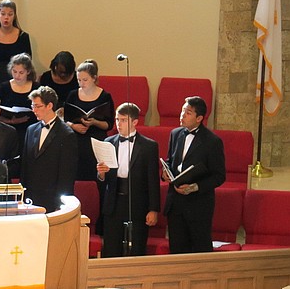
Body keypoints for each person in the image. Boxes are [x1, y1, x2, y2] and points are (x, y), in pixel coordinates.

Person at [162, 96, 226, 254]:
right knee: (176, 250)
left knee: (200, 250)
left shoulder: (212, 141)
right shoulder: (175, 134)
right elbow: (171, 161)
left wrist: (194, 187)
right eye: (182, 111)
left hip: (198, 206)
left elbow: (219, 176)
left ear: (199, 118)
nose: (182, 115)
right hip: (176, 204)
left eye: (188, 113)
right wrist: (165, 172)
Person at [96, 103, 161, 257]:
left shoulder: (149, 146)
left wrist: (153, 209)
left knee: (137, 246)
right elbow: (102, 179)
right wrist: (101, 174)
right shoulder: (109, 142)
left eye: (124, 120)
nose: (119, 124)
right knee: (111, 246)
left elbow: (153, 180)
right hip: (114, 201)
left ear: (135, 122)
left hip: (137, 203)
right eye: (117, 120)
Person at [20, 86, 78, 213]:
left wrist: (60, 204)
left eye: (38, 106)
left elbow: (67, 174)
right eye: (33, 106)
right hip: (31, 198)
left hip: (52, 199)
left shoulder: (66, 134)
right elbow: (25, 165)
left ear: (49, 106)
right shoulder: (31, 130)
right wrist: (23, 196)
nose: (34, 110)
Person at [63, 59, 114, 181]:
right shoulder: (73, 95)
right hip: (76, 139)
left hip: (96, 139)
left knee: (96, 176)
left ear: (94, 78)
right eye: (79, 80)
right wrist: (73, 126)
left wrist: (94, 122)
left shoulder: (105, 96)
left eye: (85, 80)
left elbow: (109, 124)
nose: (81, 83)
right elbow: (65, 120)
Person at [0, 0, 32, 94]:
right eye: (3, 14)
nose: (6, 18)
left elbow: (28, 65)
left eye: (10, 14)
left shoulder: (23, 37)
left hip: (17, 80)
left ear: (14, 16)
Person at [0, 53, 39, 144]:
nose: (17, 76)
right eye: (14, 71)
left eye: (21, 73)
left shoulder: (36, 87)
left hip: (30, 128)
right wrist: (10, 121)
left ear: (28, 72)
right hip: (7, 128)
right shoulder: (4, 87)